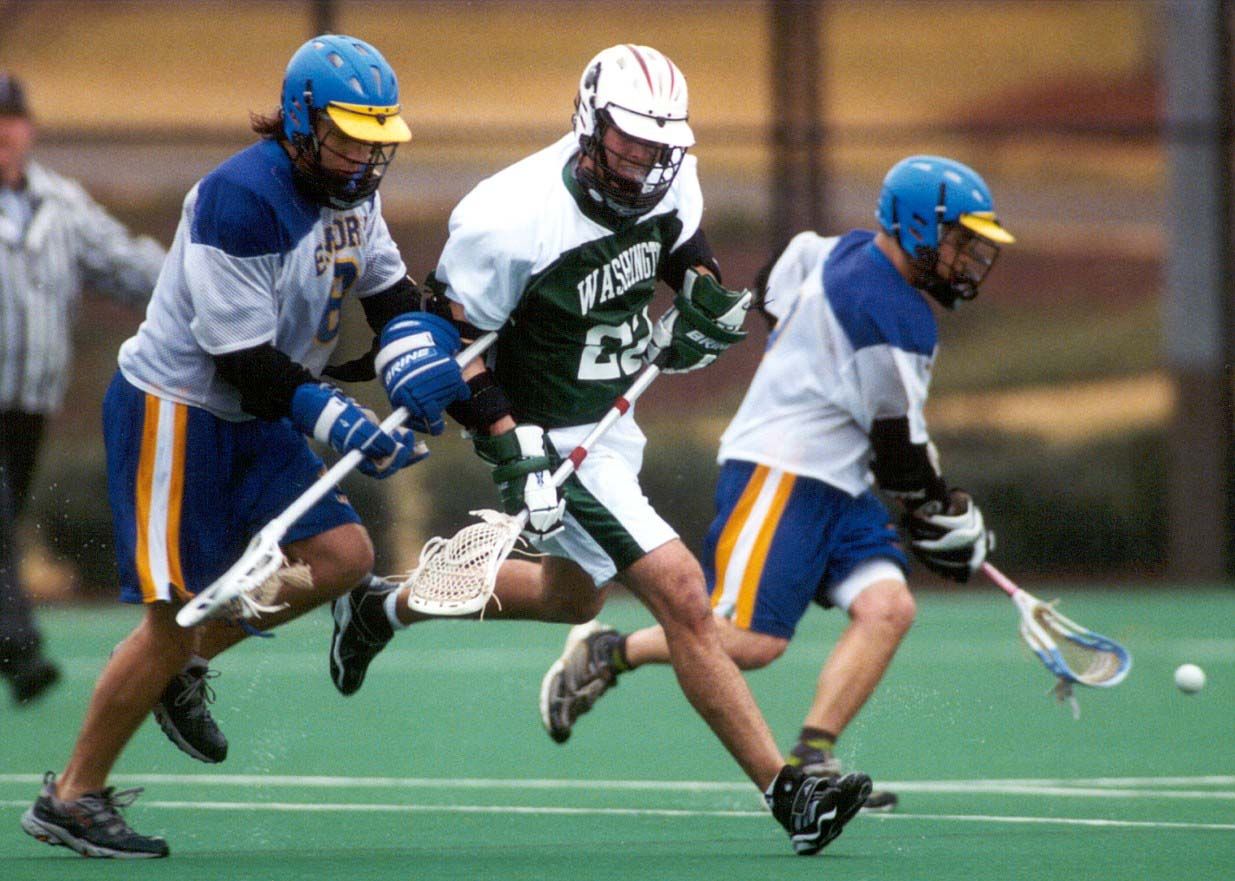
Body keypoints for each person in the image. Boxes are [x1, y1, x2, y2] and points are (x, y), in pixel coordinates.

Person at [327, 44, 872, 857]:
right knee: (681, 591)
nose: (645, 160)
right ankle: (789, 790)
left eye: (659, 146)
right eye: (629, 141)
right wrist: (510, 446)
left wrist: (701, 296)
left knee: (571, 598)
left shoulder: (665, 176)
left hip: (609, 418)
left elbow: (682, 246)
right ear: (590, 122)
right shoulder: (508, 217)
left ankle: (381, 606)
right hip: (545, 434)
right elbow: (455, 352)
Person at [20, 35, 469, 859]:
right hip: (178, 409)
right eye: (347, 137)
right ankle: (72, 796)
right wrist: (339, 419)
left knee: (341, 556)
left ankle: (181, 664)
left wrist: (421, 354)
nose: (364, 157)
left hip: (256, 411)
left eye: (376, 140)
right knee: (170, 616)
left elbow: (390, 295)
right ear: (301, 123)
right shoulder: (241, 199)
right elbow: (242, 359)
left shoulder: (355, 194)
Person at [536, 155, 1011, 813]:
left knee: (888, 608)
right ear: (914, 227)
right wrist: (939, 506)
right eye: (958, 240)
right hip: (781, 470)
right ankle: (609, 650)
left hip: (839, 478)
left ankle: (813, 755)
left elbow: (781, 270)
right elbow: (897, 447)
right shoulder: (888, 308)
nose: (967, 258)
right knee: (752, 641)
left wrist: (804, 354)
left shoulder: (847, 250)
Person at [0, 73, 166, 705]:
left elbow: (125, 264)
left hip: (30, 400)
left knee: (6, 517)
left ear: (28, 127)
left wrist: (199, 290)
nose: (3, 131)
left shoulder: (59, 202)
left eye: (11, 118)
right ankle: (20, 651)